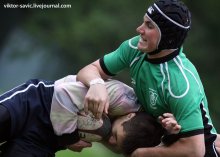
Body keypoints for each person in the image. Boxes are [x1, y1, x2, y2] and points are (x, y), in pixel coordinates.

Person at [76, 0, 219, 156]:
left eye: (149, 26)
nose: (139, 29)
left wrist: (142, 154)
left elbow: (195, 151)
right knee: (122, 135)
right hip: (165, 139)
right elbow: (89, 70)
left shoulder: (180, 84)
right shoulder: (135, 48)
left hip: (202, 152)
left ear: (167, 38)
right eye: (144, 22)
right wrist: (96, 84)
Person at [0, 75, 166, 157]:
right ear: (129, 116)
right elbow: (62, 93)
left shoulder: (138, 136)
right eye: (115, 135)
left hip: (46, 141)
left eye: (118, 145)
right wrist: (71, 138)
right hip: (34, 105)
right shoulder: (121, 97)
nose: (112, 142)